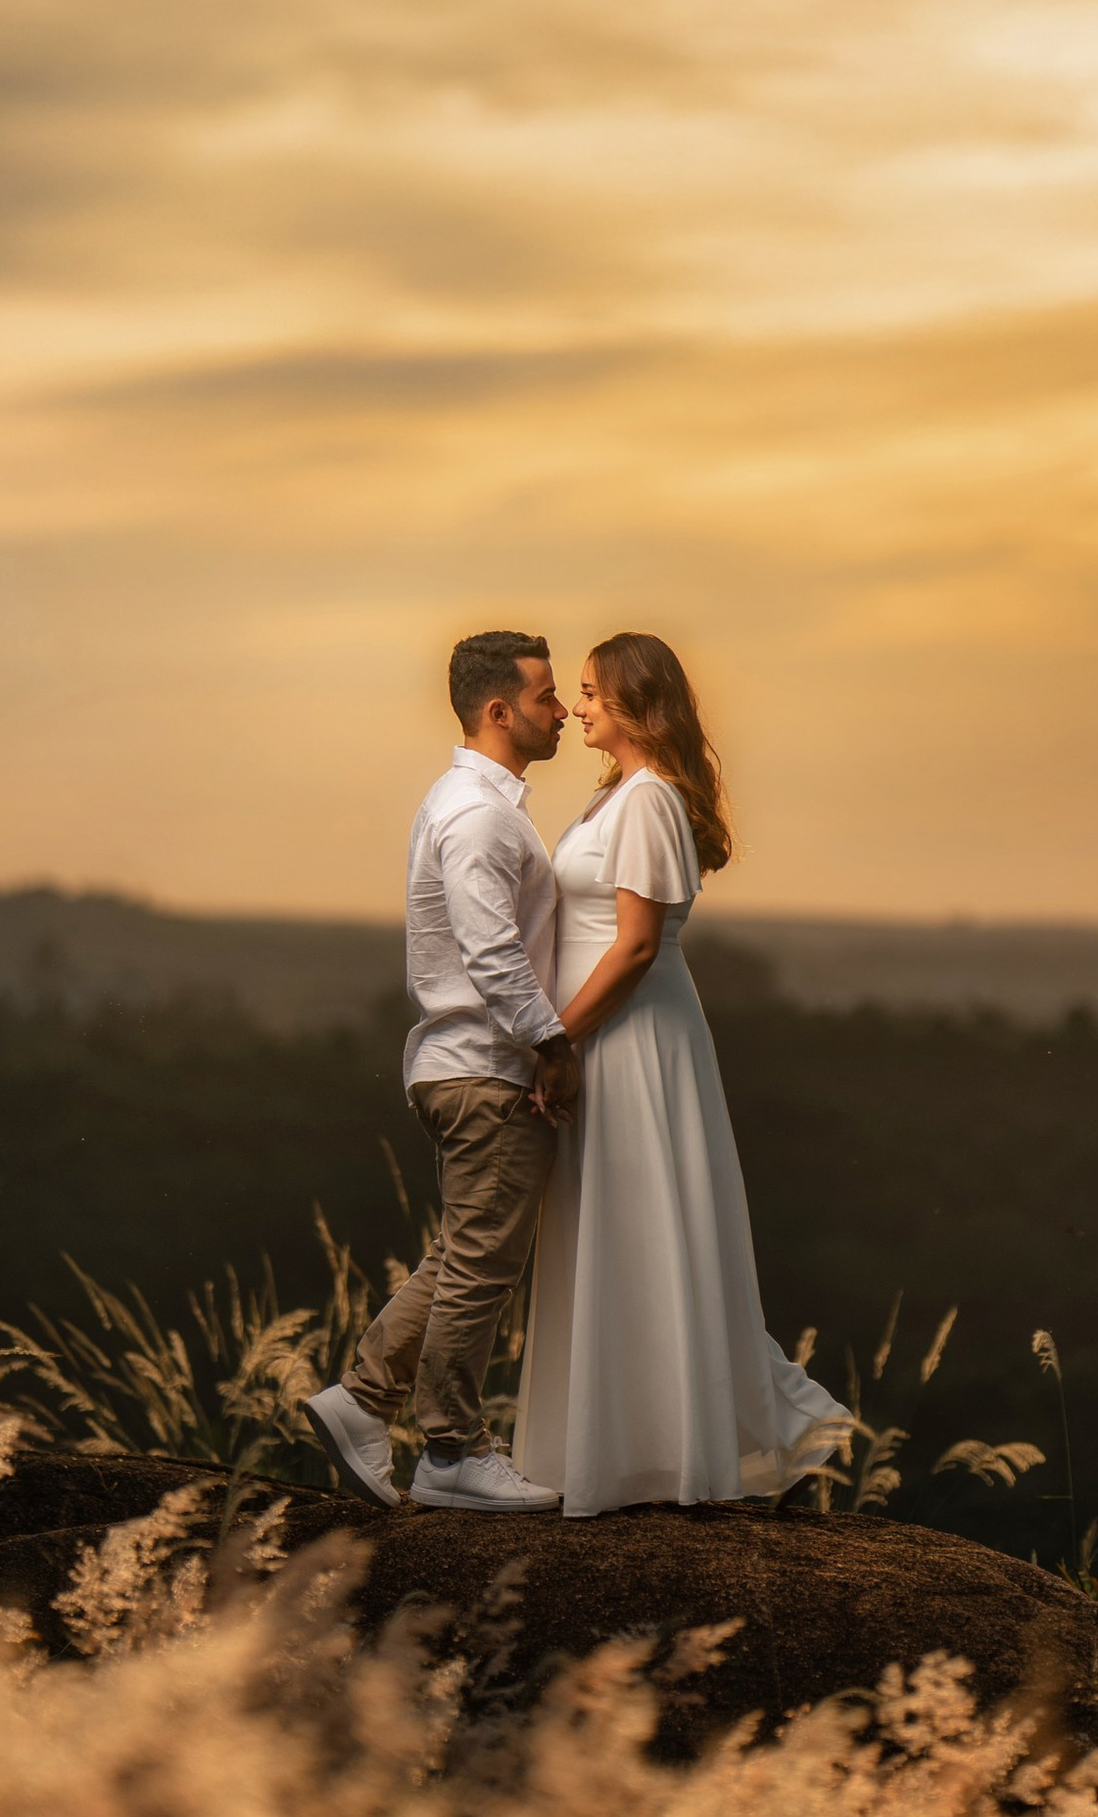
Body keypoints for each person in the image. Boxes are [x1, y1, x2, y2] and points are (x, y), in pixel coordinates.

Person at [513, 631, 850, 1517]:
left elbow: (633, 947)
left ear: (635, 701)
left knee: (644, 1224)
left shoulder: (651, 799)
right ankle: (614, 1450)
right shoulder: (613, 795)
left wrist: (558, 1039)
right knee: (609, 1229)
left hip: (630, 1038)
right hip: (602, 1033)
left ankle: (676, 1449)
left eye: (590, 691)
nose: (577, 706)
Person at [305, 629, 580, 1511]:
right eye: (545, 696)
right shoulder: (477, 815)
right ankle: (453, 1448)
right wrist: (553, 1043)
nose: (563, 709)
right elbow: (491, 950)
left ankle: (360, 1403)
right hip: (485, 1068)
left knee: (465, 1253)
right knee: (482, 1266)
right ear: (498, 710)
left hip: (467, 1064)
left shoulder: (478, 804)